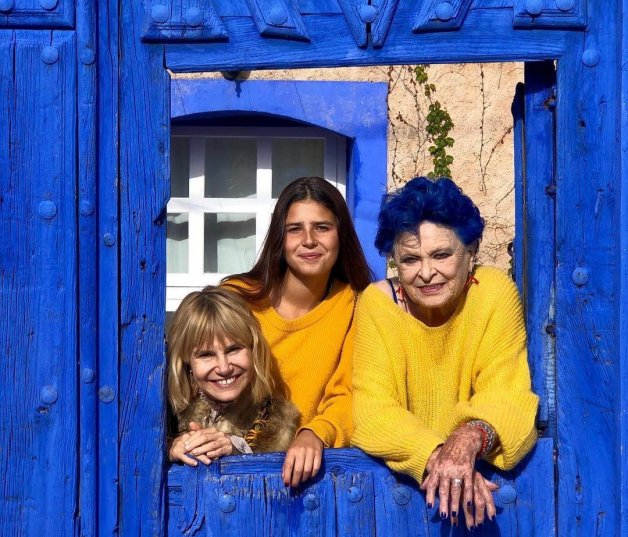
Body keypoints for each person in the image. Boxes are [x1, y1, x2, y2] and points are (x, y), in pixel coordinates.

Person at [351, 177, 538, 530]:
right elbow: (372, 411)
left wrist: (469, 439)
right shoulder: (377, 305)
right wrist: (440, 455)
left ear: (471, 252)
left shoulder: (493, 293)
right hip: (390, 507)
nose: (425, 273)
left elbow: (507, 394)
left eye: (441, 255)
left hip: (492, 505)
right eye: (409, 259)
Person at [223, 176, 372, 487]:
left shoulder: (358, 306)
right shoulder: (236, 297)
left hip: (314, 476)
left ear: (341, 235)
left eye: (322, 227)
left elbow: (350, 395)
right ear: (280, 238)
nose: (308, 240)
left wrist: (315, 432)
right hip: (227, 466)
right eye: (295, 229)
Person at [167, 286, 300, 466]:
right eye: (206, 355)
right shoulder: (164, 413)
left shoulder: (280, 422)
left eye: (234, 349)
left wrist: (236, 450)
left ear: (253, 349)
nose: (224, 368)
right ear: (187, 361)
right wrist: (169, 448)